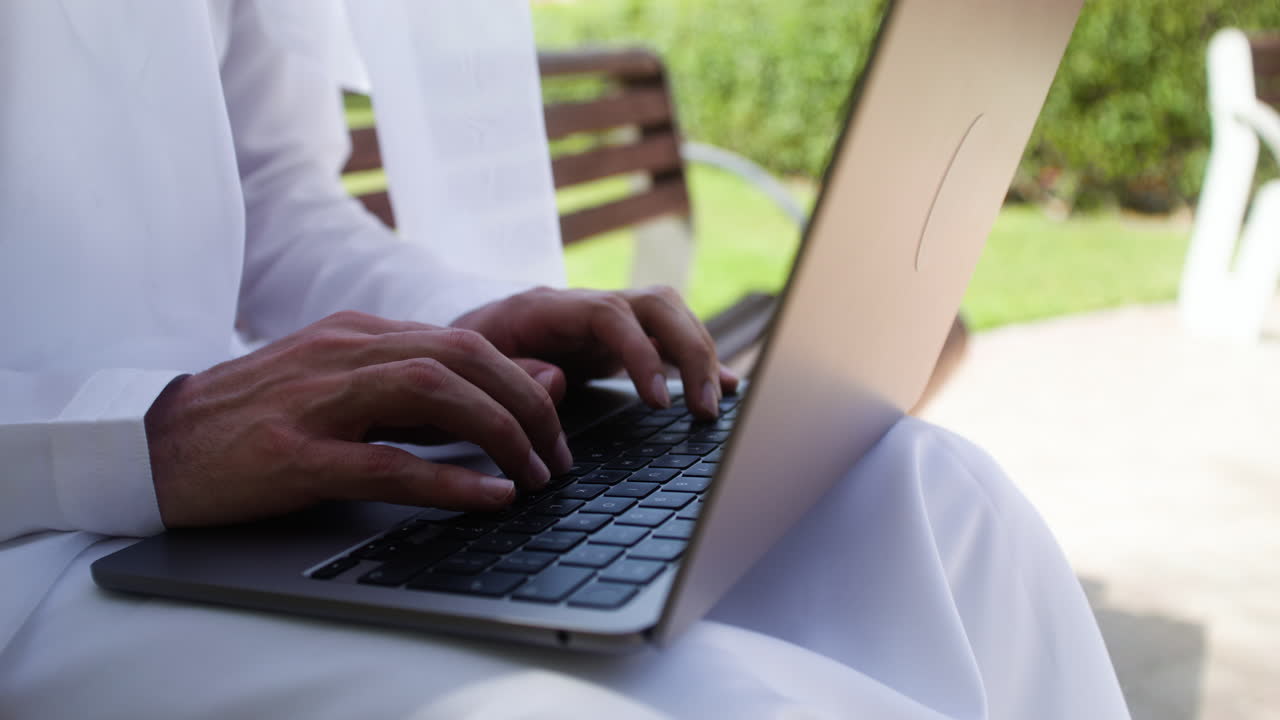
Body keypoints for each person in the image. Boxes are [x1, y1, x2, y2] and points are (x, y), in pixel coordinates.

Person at [0, 2, 1131, 718]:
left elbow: (272, 201)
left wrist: (472, 318)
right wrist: (137, 439)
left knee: (934, 495)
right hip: (36, 542)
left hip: (247, 483)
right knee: (724, 702)